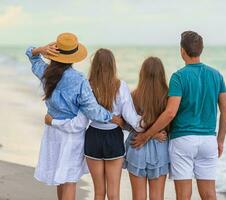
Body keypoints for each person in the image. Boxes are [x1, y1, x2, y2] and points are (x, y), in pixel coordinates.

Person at [44, 49, 166, 200]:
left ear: (94, 66)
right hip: (113, 138)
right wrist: (153, 129)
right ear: (113, 65)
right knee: (114, 194)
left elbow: (81, 119)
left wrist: (54, 121)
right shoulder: (120, 86)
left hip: (93, 138)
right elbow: (134, 121)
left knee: (99, 193)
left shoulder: (86, 85)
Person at [132, 31, 226, 200]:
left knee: (183, 196)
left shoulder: (179, 77)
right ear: (201, 50)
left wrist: (146, 136)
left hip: (183, 141)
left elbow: (170, 113)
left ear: (182, 51)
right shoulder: (216, 75)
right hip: (208, 140)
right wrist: (220, 140)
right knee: (209, 194)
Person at [26, 33, 120, 200]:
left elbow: (31, 56)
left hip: (52, 132)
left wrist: (40, 49)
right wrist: (112, 117)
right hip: (71, 134)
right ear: (74, 57)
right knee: (68, 179)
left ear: (54, 52)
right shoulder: (79, 80)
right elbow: (93, 111)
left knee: (61, 179)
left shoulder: (45, 73)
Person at [124, 57, 169, 200]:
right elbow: (169, 123)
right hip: (160, 148)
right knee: (157, 197)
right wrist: (155, 134)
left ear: (142, 73)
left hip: (137, 146)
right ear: (162, 74)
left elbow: (128, 123)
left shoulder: (134, 95)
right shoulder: (168, 96)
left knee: (138, 197)